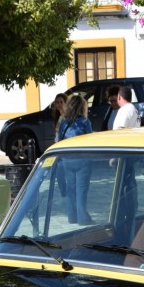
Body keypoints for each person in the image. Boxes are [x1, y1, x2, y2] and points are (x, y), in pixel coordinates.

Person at [56, 95, 93, 225]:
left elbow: (59, 140)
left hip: (67, 160)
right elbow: (90, 140)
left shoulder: (64, 122)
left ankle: (72, 217)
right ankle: (83, 218)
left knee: (70, 190)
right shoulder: (84, 122)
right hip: (82, 160)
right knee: (81, 190)